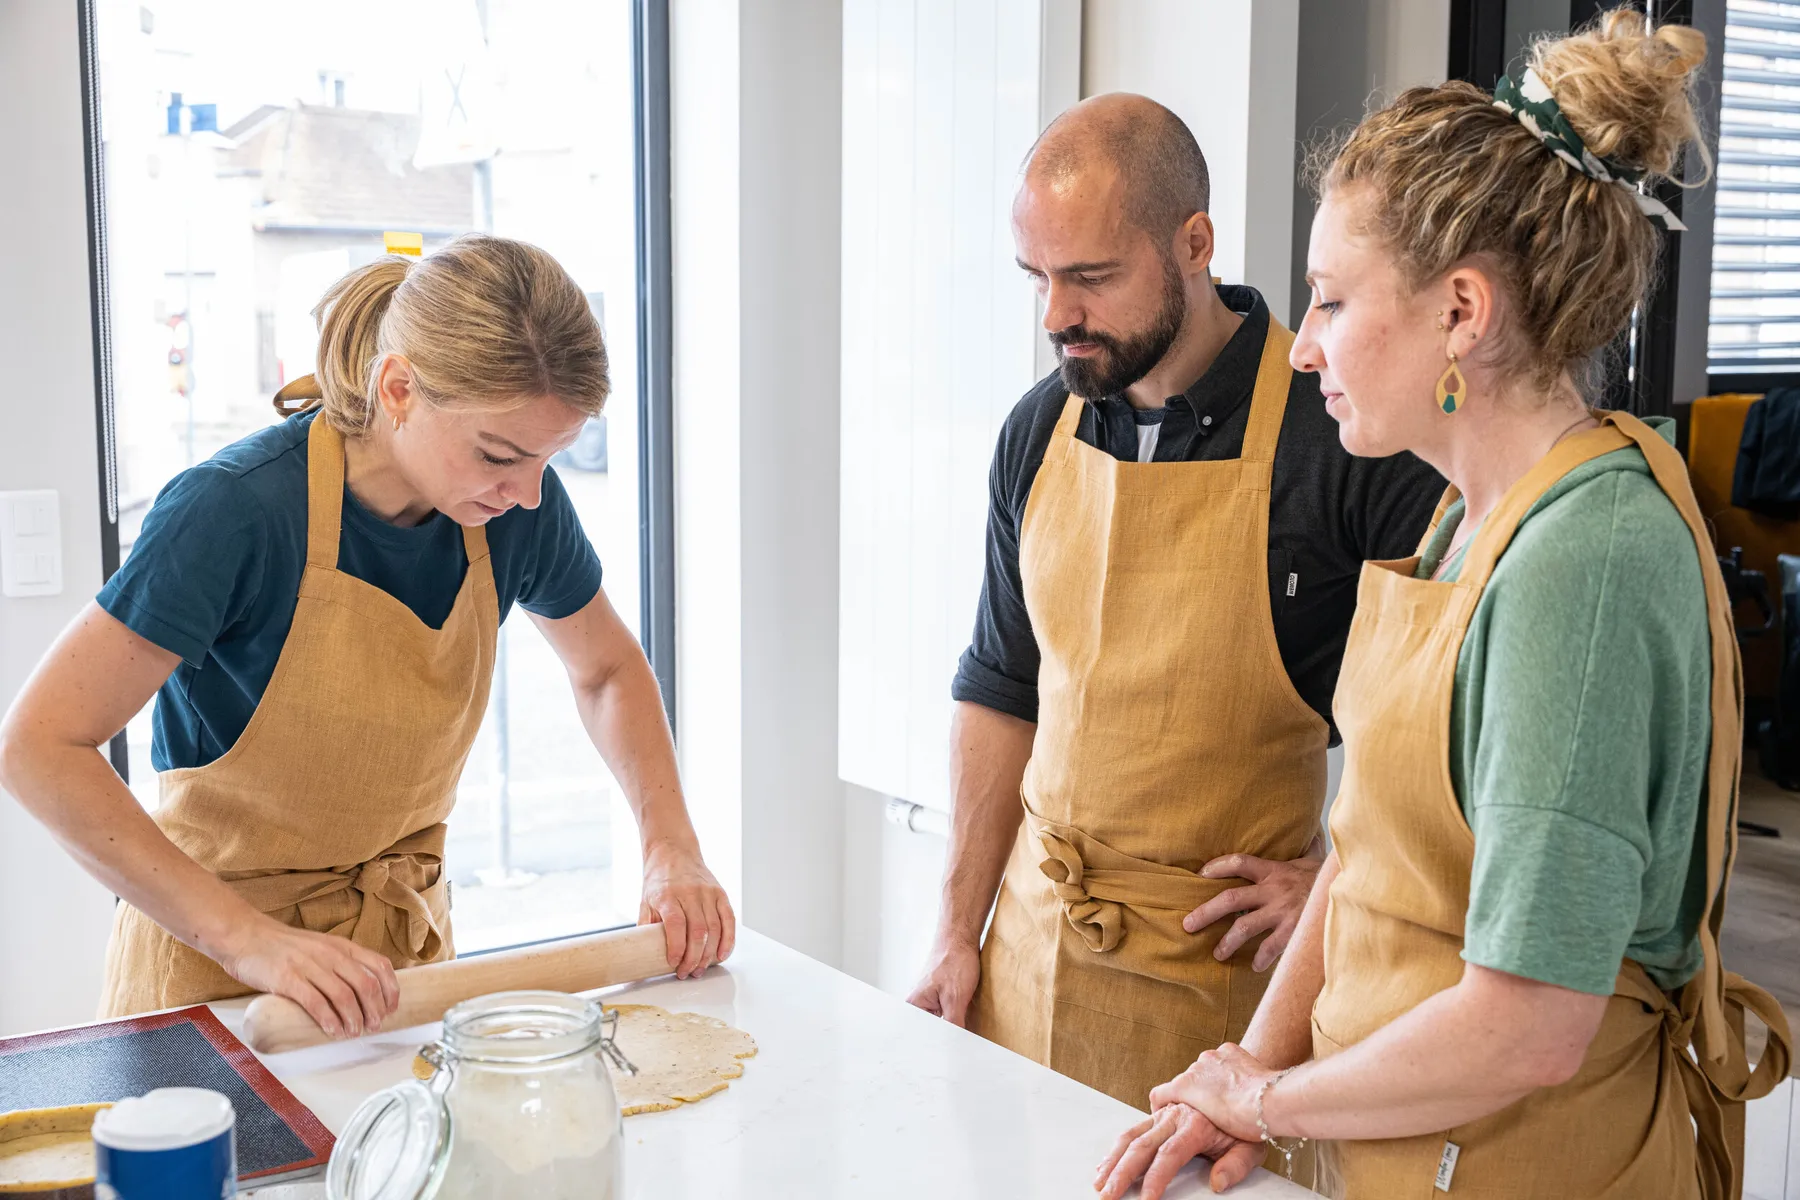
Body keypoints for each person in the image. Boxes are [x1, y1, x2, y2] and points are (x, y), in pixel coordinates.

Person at [1095, 13, 1792, 1199]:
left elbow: (1528, 1025)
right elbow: (1366, 849)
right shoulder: (1463, 519)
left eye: (1329, 301)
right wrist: (1247, 1065)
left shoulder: (1585, 561)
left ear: (1462, 312)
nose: (1303, 348)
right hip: (1403, 1152)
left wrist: (1263, 1102)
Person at [0, 235, 733, 1039]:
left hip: (400, 973)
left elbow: (607, 671)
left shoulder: (515, 510)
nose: (528, 493)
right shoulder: (234, 513)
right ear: (398, 389)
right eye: (500, 455)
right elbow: (40, 745)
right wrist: (251, 942)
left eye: (547, 459)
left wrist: (672, 847)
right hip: (217, 976)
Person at [905, 93, 1445, 1112]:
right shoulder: (1036, 431)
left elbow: (1429, 741)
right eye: (1037, 277)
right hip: (1028, 954)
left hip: (1223, 999)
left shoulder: (1341, 440)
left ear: (1194, 244)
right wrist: (953, 935)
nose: (1056, 315)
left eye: (1091, 276)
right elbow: (1001, 689)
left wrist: (1336, 879)